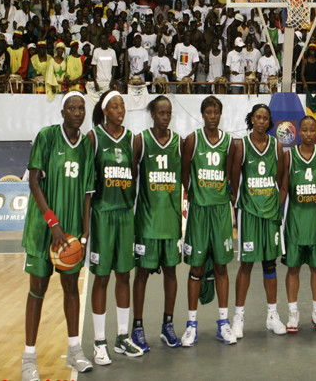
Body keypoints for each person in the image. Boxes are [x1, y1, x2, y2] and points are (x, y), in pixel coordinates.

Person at [21, 92, 95, 380]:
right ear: (63, 112)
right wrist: (52, 223)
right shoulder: (47, 137)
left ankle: (75, 351)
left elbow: (88, 192)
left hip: (72, 232)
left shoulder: (87, 146)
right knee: (37, 291)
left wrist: (86, 227)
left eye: (81, 108)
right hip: (44, 229)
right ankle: (29, 359)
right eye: (72, 108)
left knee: (71, 290)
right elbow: (33, 181)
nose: (77, 112)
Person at [88, 90, 144, 365]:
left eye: (122, 105)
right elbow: (88, 186)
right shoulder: (94, 138)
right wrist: (85, 226)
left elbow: (134, 176)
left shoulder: (132, 140)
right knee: (101, 278)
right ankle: (99, 341)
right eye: (114, 105)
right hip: (102, 215)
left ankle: (123, 337)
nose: (120, 109)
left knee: (124, 275)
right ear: (104, 110)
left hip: (124, 216)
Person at [181, 96, 237, 346]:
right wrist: (195, 194)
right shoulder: (193, 140)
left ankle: (223, 323)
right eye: (208, 112)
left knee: (222, 267)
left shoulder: (229, 142)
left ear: (220, 115)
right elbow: (185, 173)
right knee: (196, 268)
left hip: (221, 211)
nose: (212, 116)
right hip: (199, 211)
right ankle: (191, 324)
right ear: (202, 114)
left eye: (216, 112)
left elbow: (231, 175)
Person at [131, 96, 183, 352]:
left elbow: (186, 178)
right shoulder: (140, 141)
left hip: (171, 221)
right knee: (141, 274)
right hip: (147, 221)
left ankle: (168, 325)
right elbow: (131, 178)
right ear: (153, 114)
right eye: (161, 112)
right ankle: (137, 327)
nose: (166, 116)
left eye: (169, 112)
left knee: (172, 273)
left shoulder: (179, 143)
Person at [231, 104, 287, 337]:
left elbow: (282, 180)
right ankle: (238, 316)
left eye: (266, 118)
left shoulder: (278, 146)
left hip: (270, 212)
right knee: (246, 263)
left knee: (270, 264)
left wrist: (277, 202)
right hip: (250, 213)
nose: (262, 121)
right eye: (258, 117)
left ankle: (272, 315)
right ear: (251, 119)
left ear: (269, 121)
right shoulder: (241, 146)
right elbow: (233, 179)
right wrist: (240, 204)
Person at [281, 116, 316, 332]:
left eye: (313, 130)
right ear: (299, 132)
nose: (309, 133)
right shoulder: (289, 156)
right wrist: (277, 212)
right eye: (305, 130)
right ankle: (293, 314)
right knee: (292, 268)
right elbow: (283, 187)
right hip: (294, 223)